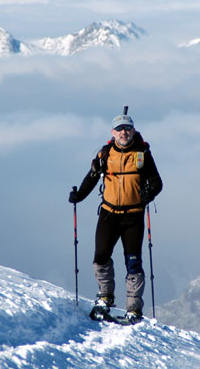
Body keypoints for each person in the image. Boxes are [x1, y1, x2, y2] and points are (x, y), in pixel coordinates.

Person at [69, 107, 162, 323]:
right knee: (101, 256)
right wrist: (79, 195)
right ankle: (105, 297)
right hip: (109, 214)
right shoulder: (104, 154)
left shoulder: (142, 155)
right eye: (119, 129)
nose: (124, 133)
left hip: (133, 217)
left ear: (133, 130)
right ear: (113, 132)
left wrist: (149, 194)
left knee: (133, 263)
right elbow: (92, 177)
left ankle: (133, 308)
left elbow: (157, 182)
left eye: (127, 129)